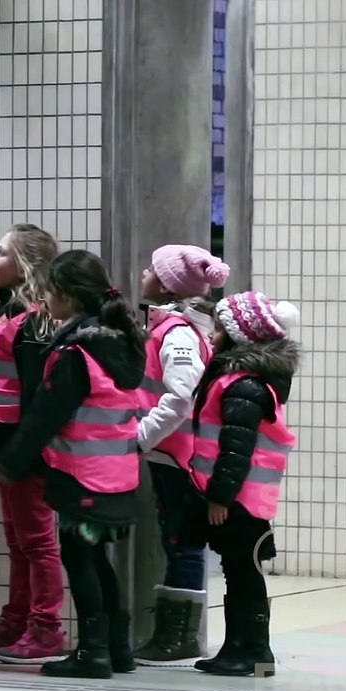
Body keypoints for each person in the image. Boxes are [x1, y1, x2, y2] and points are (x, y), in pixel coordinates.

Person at [0, 250, 145, 680]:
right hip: (115, 474)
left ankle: (94, 652)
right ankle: (117, 647)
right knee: (98, 559)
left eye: (49, 294)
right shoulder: (121, 342)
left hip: (81, 477)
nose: (44, 301)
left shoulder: (77, 353)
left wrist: (13, 458)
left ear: (68, 296)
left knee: (80, 560)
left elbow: (47, 415)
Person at [185, 291, 299, 678]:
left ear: (238, 336)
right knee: (240, 572)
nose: (212, 335)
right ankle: (245, 650)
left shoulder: (244, 386)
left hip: (242, 499)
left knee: (243, 572)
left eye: (219, 328)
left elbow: (236, 449)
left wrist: (220, 496)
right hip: (243, 496)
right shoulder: (239, 379)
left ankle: (250, 651)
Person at [0, 224, 68, 664]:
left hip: (24, 449)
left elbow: (35, 393)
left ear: (25, 264)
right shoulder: (12, 312)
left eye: (2, 252)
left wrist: (22, 450)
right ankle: (17, 620)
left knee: (36, 540)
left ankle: (45, 628)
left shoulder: (34, 320)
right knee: (20, 540)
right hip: (7, 445)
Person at [132, 245, 229, 664]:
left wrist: (139, 437)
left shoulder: (177, 333)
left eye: (152, 269)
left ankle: (179, 637)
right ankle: (172, 634)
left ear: (167, 284)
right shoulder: (171, 328)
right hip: (169, 455)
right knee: (177, 541)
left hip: (178, 457)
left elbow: (179, 398)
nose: (143, 273)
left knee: (184, 542)